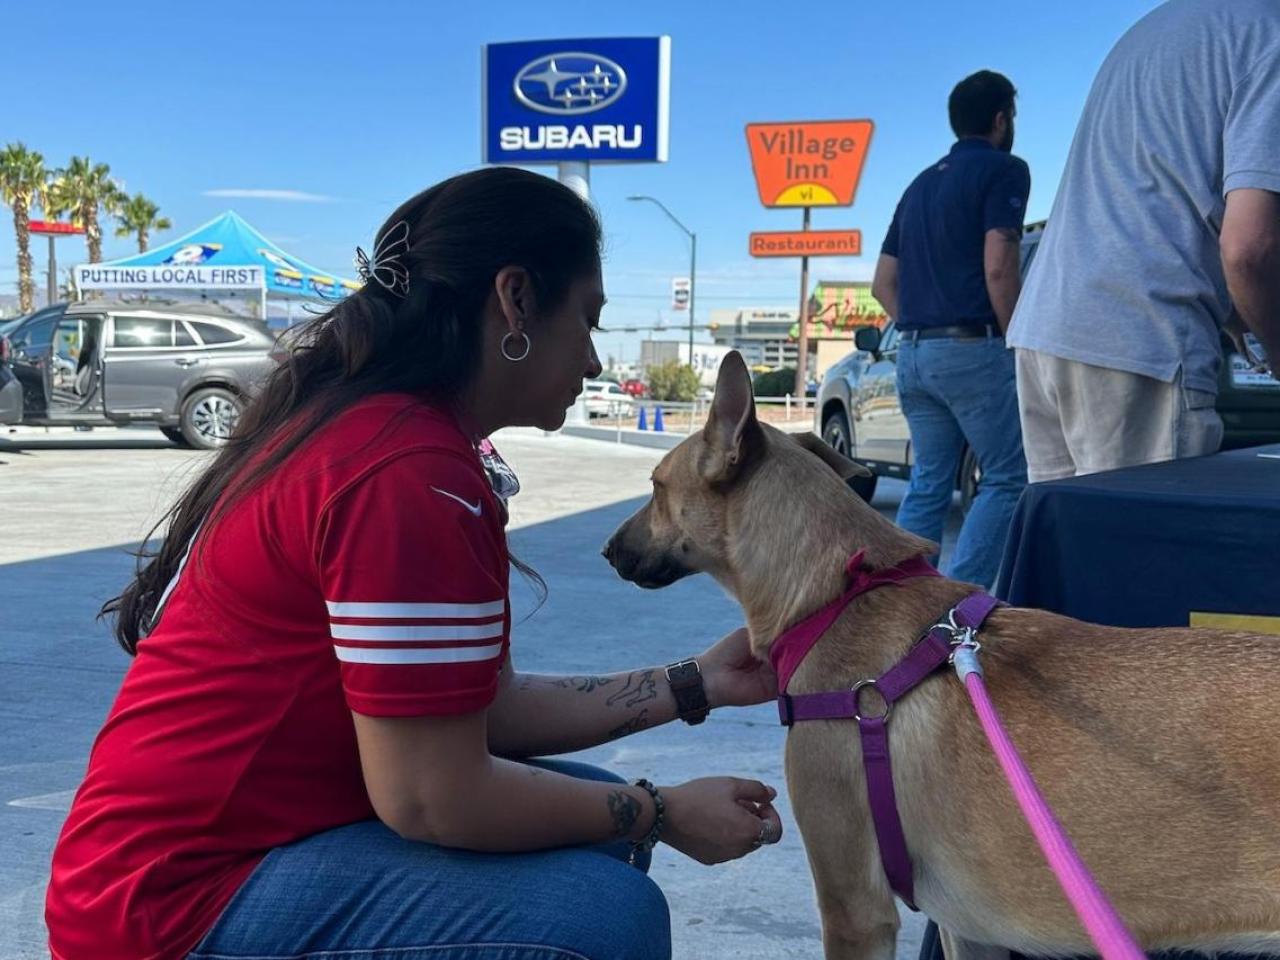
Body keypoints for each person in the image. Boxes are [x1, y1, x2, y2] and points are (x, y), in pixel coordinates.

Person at [45, 168, 783, 960]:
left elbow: (481, 714)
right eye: (589, 319)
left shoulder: (393, 438)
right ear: (516, 301)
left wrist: (696, 683)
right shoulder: (404, 472)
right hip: (169, 904)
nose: (597, 361)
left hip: (206, 857)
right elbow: (435, 798)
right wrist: (662, 810)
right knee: (603, 915)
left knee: (591, 818)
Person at [1008, 0, 1280, 482]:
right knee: (1153, 550)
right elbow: (1249, 248)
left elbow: (1158, 195)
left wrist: (1239, 319)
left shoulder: (1156, 30)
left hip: (1048, 329)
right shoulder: (1268, 34)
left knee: (1076, 548)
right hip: (1139, 339)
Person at [871, 70, 1030, 588]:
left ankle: (904, 599)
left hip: (913, 354)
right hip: (972, 347)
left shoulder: (919, 185)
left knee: (930, 481)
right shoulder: (1005, 170)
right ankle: (960, 606)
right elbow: (1000, 266)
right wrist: (1017, 342)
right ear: (1002, 119)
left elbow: (882, 283)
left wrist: (922, 328)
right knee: (1007, 478)